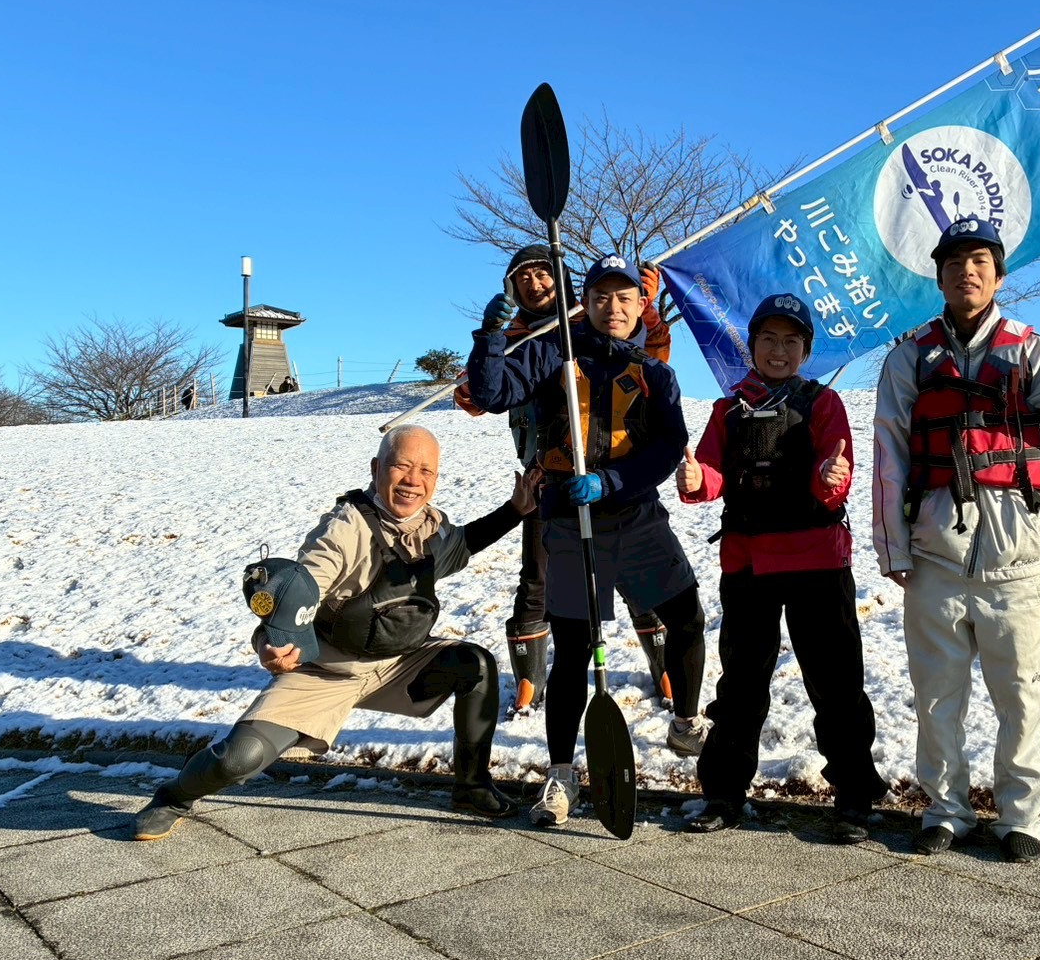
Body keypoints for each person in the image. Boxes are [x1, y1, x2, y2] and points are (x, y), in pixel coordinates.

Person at [133, 424, 536, 841]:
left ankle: (471, 786)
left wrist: (515, 510)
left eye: (426, 471)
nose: (414, 481)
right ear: (377, 468)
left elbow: (461, 546)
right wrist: (272, 644)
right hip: (325, 669)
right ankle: (173, 796)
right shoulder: (345, 529)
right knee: (239, 759)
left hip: (399, 662)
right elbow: (299, 591)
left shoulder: (432, 526)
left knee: (476, 664)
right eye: (401, 466)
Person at [872, 217, 1040, 864]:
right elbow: (890, 457)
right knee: (936, 698)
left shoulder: (1030, 351)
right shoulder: (908, 357)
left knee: (1022, 693)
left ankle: (1020, 818)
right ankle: (944, 808)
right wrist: (893, 549)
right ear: (939, 276)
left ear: (998, 274)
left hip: (1015, 561)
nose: (966, 272)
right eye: (953, 263)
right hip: (933, 559)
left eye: (979, 261)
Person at [465, 252, 708, 827]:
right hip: (571, 525)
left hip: (636, 519)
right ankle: (560, 773)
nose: (613, 307)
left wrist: (614, 481)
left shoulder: (654, 372)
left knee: (687, 617)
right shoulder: (555, 351)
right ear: (588, 301)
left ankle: (687, 722)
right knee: (574, 650)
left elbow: (668, 445)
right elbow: (491, 392)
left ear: (638, 305)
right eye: (602, 296)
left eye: (625, 298)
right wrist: (491, 335)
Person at [676, 294, 889, 843]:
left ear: (806, 350)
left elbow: (833, 477)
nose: (779, 350)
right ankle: (723, 794)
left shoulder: (824, 402)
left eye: (791, 341)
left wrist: (830, 475)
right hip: (747, 563)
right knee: (742, 682)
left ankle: (854, 798)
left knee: (836, 681)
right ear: (752, 347)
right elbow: (713, 474)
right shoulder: (727, 410)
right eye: (768, 339)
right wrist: (698, 482)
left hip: (817, 560)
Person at [453, 245, 674, 716]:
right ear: (511, 288)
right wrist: (488, 342)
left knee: (637, 574)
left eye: (542, 273)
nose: (534, 284)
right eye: (523, 277)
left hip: (616, 473)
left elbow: (651, 355)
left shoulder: (591, 318)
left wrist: (644, 308)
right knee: (538, 577)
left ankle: (665, 665)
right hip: (546, 474)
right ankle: (531, 680)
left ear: (563, 279)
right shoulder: (518, 337)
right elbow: (482, 394)